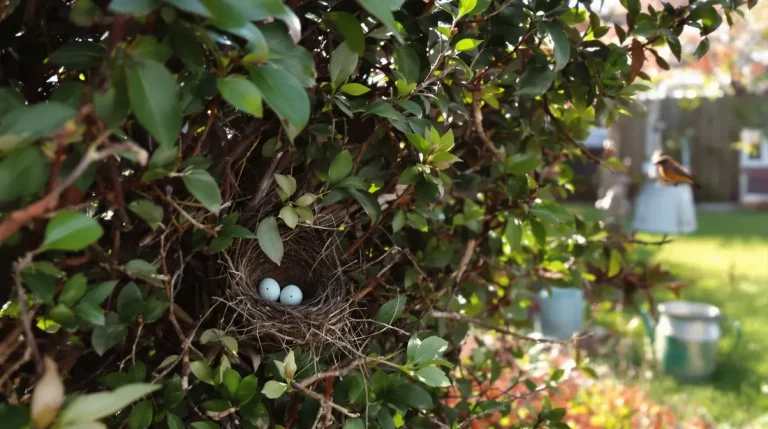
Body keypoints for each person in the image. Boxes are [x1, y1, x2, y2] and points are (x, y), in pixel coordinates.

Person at [595, 139, 631, 232]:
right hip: (606, 193)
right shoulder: (602, 163)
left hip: (616, 194)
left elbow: (624, 177)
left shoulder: (617, 162)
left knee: (619, 216)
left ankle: (620, 235)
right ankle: (610, 235)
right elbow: (601, 181)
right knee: (608, 217)